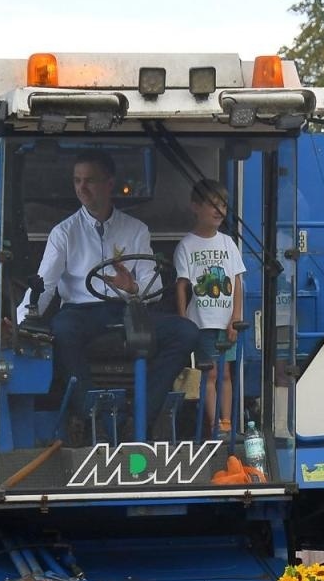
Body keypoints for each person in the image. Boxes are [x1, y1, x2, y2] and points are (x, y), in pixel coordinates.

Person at [22, 152, 196, 437]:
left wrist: (133, 288)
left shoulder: (136, 230)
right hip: (80, 313)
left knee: (186, 332)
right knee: (61, 331)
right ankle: (98, 421)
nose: (82, 188)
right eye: (77, 181)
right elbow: (45, 283)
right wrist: (23, 321)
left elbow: (152, 287)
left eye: (89, 180)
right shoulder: (63, 233)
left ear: (109, 184)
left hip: (127, 310)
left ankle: (141, 416)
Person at [173, 179, 246, 437]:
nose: (219, 210)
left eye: (223, 205)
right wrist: (183, 320)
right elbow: (182, 285)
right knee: (210, 374)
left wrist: (235, 317)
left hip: (226, 322)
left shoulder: (228, 243)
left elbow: (237, 282)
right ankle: (214, 425)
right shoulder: (186, 245)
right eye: (213, 205)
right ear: (196, 207)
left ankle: (227, 423)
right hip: (201, 322)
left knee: (225, 372)